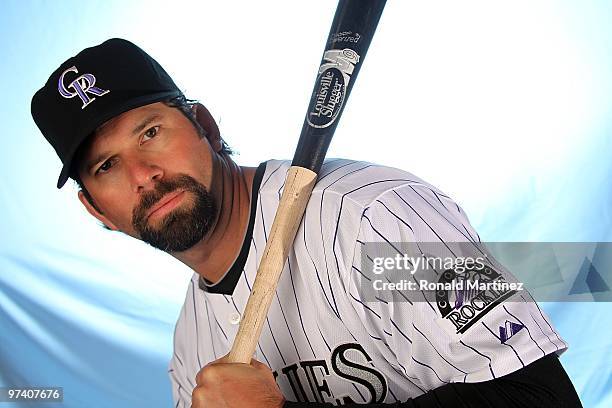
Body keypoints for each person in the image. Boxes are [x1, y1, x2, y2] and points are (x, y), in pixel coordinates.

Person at [32, 38, 582, 407]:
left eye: (150, 132)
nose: (143, 174)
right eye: (106, 167)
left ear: (204, 124)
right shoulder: (193, 353)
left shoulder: (378, 220)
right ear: (96, 210)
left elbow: (544, 398)